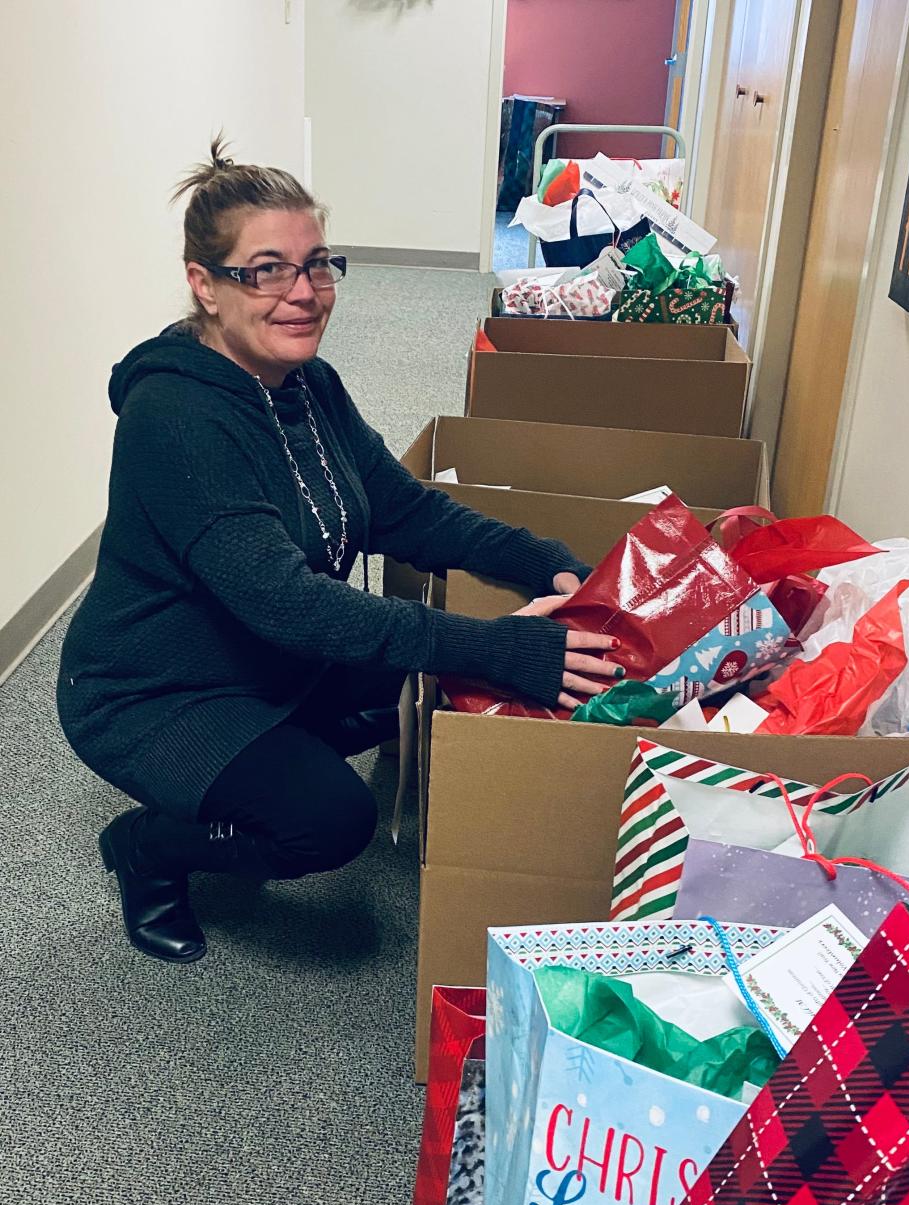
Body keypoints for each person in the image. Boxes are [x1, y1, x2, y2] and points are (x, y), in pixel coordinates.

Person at [57, 138, 620, 965]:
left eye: (318, 265)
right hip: (152, 692)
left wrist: (541, 558)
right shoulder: (173, 420)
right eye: (267, 270)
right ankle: (150, 847)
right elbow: (291, 602)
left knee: (420, 671)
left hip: (262, 657)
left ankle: (250, 784)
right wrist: (503, 647)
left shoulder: (308, 386)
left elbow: (400, 510)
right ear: (203, 285)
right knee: (328, 820)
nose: (303, 294)